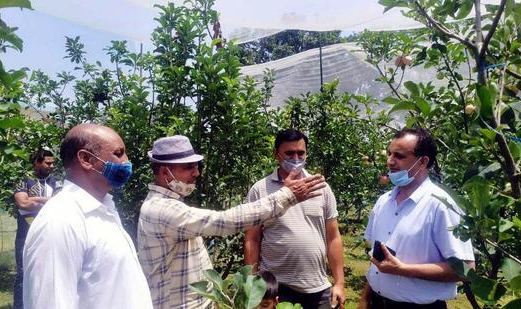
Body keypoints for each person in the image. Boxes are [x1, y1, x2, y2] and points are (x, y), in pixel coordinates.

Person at [137, 135, 326, 309]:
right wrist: (286, 196)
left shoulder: (169, 205)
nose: (196, 173)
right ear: (165, 172)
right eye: (188, 167)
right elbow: (223, 222)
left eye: (196, 166)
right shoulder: (162, 210)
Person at [22, 124, 153, 309]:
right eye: (118, 153)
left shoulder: (104, 208)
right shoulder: (60, 220)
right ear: (86, 159)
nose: (127, 161)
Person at [358, 128, 475, 309]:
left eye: (399, 156)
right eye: (389, 154)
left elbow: (466, 269)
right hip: (377, 301)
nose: (390, 161)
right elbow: (379, 261)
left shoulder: (440, 206)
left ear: (422, 162)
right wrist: (365, 299)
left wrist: (403, 270)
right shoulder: (384, 201)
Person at [244, 129, 346, 309]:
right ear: (276, 155)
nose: (296, 158)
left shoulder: (321, 187)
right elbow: (252, 239)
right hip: (277, 286)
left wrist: (339, 283)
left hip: (317, 286)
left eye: (301, 153)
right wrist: (251, 282)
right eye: (289, 153)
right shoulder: (260, 190)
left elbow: (333, 237)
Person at [13, 148, 60, 309]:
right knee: (23, 275)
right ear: (36, 163)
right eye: (48, 163)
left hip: (49, 235)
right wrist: (48, 200)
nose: (52, 166)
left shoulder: (56, 181)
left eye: (53, 162)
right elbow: (22, 203)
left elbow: (62, 202)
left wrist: (35, 200)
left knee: (49, 273)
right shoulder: (23, 181)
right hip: (25, 237)